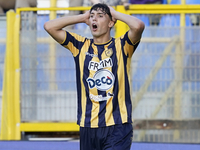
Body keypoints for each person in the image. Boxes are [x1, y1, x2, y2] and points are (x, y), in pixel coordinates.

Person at [44, 3, 144, 150]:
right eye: (92, 16)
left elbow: (138, 26)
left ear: (111, 22)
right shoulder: (80, 45)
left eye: (100, 16)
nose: (94, 19)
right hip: (88, 127)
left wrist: (114, 13)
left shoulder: (122, 45)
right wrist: (83, 17)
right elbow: (49, 26)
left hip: (118, 126)